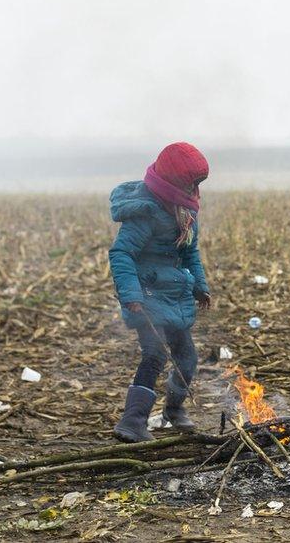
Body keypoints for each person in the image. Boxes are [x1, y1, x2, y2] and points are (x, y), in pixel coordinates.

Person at [108, 143, 212, 443]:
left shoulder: (186, 212)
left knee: (187, 358)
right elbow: (121, 254)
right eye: (190, 182)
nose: (194, 188)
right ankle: (132, 423)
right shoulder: (146, 212)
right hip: (147, 295)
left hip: (175, 294)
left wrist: (200, 286)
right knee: (154, 354)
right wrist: (132, 295)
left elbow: (190, 252)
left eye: (198, 183)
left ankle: (174, 411)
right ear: (173, 181)